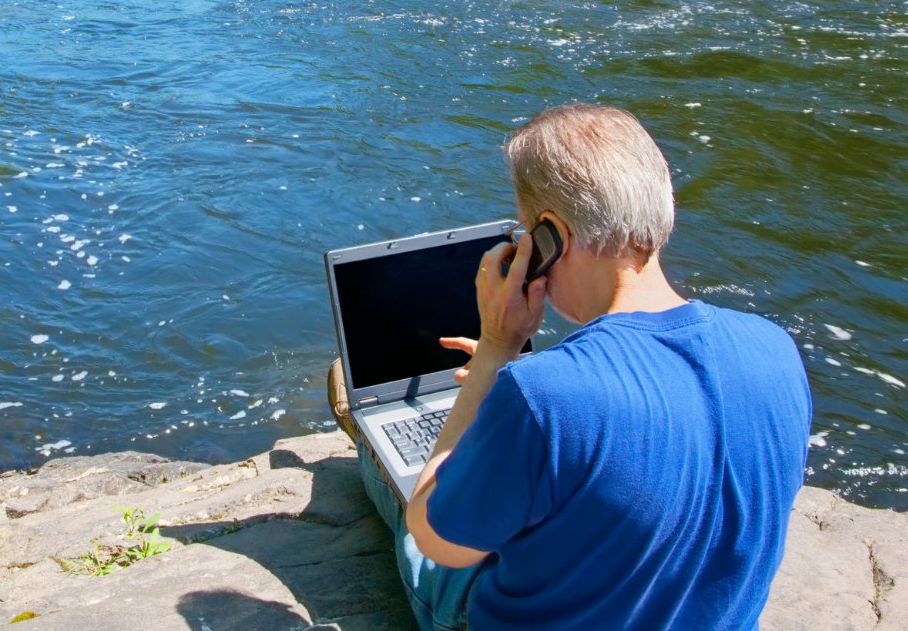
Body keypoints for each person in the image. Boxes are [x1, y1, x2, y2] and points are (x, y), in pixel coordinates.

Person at [331, 103, 812, 630]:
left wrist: (495, 349)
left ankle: (365, 435)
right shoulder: (775, 349)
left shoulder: (545, 393)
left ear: (551, 235)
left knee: (402, 490)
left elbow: (438, 542)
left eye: (524, 232)